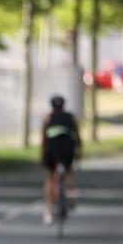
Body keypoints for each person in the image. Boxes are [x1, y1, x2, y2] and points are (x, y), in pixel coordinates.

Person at [40, 95, 82, 225]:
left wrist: (42, 153)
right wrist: (80, 150)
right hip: (67, 149)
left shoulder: (47, 118)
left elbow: (43, 138)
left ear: (52, 106)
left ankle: (48, 211)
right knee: (68, 170)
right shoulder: (71, 117)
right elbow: (77, 136)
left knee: (50, 177)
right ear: (63, 106)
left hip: (51, 149)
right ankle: (70, 192)